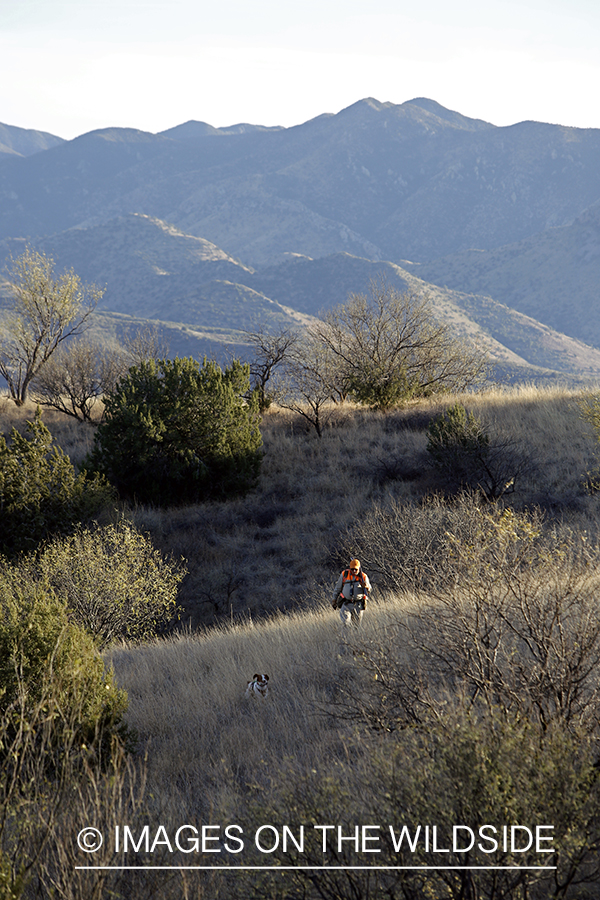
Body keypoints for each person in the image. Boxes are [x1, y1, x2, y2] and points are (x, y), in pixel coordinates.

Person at [332, 559, 371, 627]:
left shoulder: (363, 576)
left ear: (359, 568)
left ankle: (354, 637)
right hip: (346, 604)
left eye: (356, 569)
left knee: (357, 626)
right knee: (346, 624)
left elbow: (370, 589)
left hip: (358, 605)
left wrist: (366, 586)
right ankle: (345, 637)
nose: (354, 571)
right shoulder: (344, 574)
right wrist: (334, 599)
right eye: (352, 569)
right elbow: (337, 588)